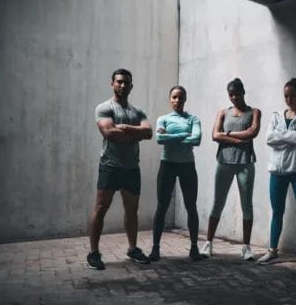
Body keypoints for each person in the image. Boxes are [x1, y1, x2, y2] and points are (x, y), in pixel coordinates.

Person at [86, 68, 153, 270]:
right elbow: (109, 133)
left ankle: (132, 249)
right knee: (100, 209)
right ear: (112, 83)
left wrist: (126, 128)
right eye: (119, 82)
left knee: (132, 211)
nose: (122, 85)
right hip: (110, 166)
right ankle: (94, 253)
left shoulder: (138, 112)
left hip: (131, 168)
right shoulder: (104, 108)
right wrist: (136, 133)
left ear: (131, 86)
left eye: (126, 83)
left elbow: (149, 133)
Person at [257, 77, 296, 275]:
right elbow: (269, 138)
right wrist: (291, 136)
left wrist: (282, 136)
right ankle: (273, 251)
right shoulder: (277, 116)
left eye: (293, 95)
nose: (289, 99)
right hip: (277, 170)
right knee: (277, 212)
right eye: (286, 95)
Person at [201, 78, 262, 260]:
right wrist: (238, 139)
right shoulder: (223, 113)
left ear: (243, 92)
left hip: (245, 163)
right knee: (218, 202)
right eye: (231, 95)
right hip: (224, 162)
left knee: (247, 205)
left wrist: (226, 135)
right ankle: (208, 243)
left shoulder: (255, 112)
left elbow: (253, 133)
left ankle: (246, 247)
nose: (234, 97)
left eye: (237, 93)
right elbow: (214, 135)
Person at [150, 86, 206, 262]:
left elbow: (196, 139)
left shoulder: (193, 118)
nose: (177, 101)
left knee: (191, 207)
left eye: (180, 98)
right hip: (167, 165)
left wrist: (171, 136)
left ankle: (194, 248)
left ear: (185, 99)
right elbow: (160, 139)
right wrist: (183, 134)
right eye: (174, 97)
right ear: (170, 99)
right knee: (162, 206)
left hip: (187, 166)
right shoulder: (163, 119)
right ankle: (155, 249)